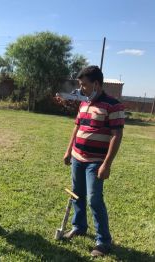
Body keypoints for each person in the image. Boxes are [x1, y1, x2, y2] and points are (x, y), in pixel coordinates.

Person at [63, 66, 125, 257]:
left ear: (96, 84)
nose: (81, 89)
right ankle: (79, 226)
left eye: (84, 85)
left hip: (95, 162)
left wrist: (106, 164)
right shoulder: (84, 103)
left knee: (94, 200)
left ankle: (103, 241)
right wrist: (68, 151)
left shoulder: (113, 105)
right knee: (77, 194)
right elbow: (77, 128)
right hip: (77, 158)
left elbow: (117, 135)